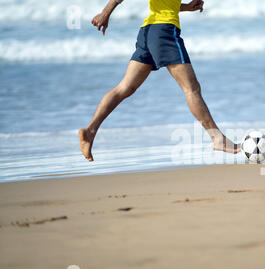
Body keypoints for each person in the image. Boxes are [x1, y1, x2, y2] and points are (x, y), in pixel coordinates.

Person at [79, 0, 240, 162]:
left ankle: (90, 130)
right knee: (191, 89)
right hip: (164, 31)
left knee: (125, 87)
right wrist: (106, 12)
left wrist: (185, 7)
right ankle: (217, 138)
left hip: (148, 31)